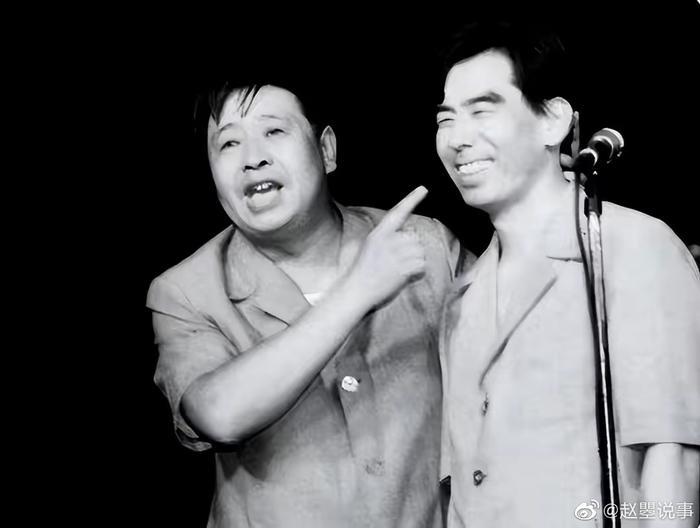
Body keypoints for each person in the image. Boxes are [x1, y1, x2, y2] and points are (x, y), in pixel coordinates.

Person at [146, 69, 468, 527]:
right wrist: (358, 290)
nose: (252, 159)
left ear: (326, 149)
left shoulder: (425, 243)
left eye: (274, 132)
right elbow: (218, 416)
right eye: (229, 143)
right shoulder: (184, 291)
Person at [434, 21, 700, 527]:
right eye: (446, 119)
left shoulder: (630, 246)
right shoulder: (462, 297)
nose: (458, 139)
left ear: (553, 121)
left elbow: (672, 457)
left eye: (482, 111)